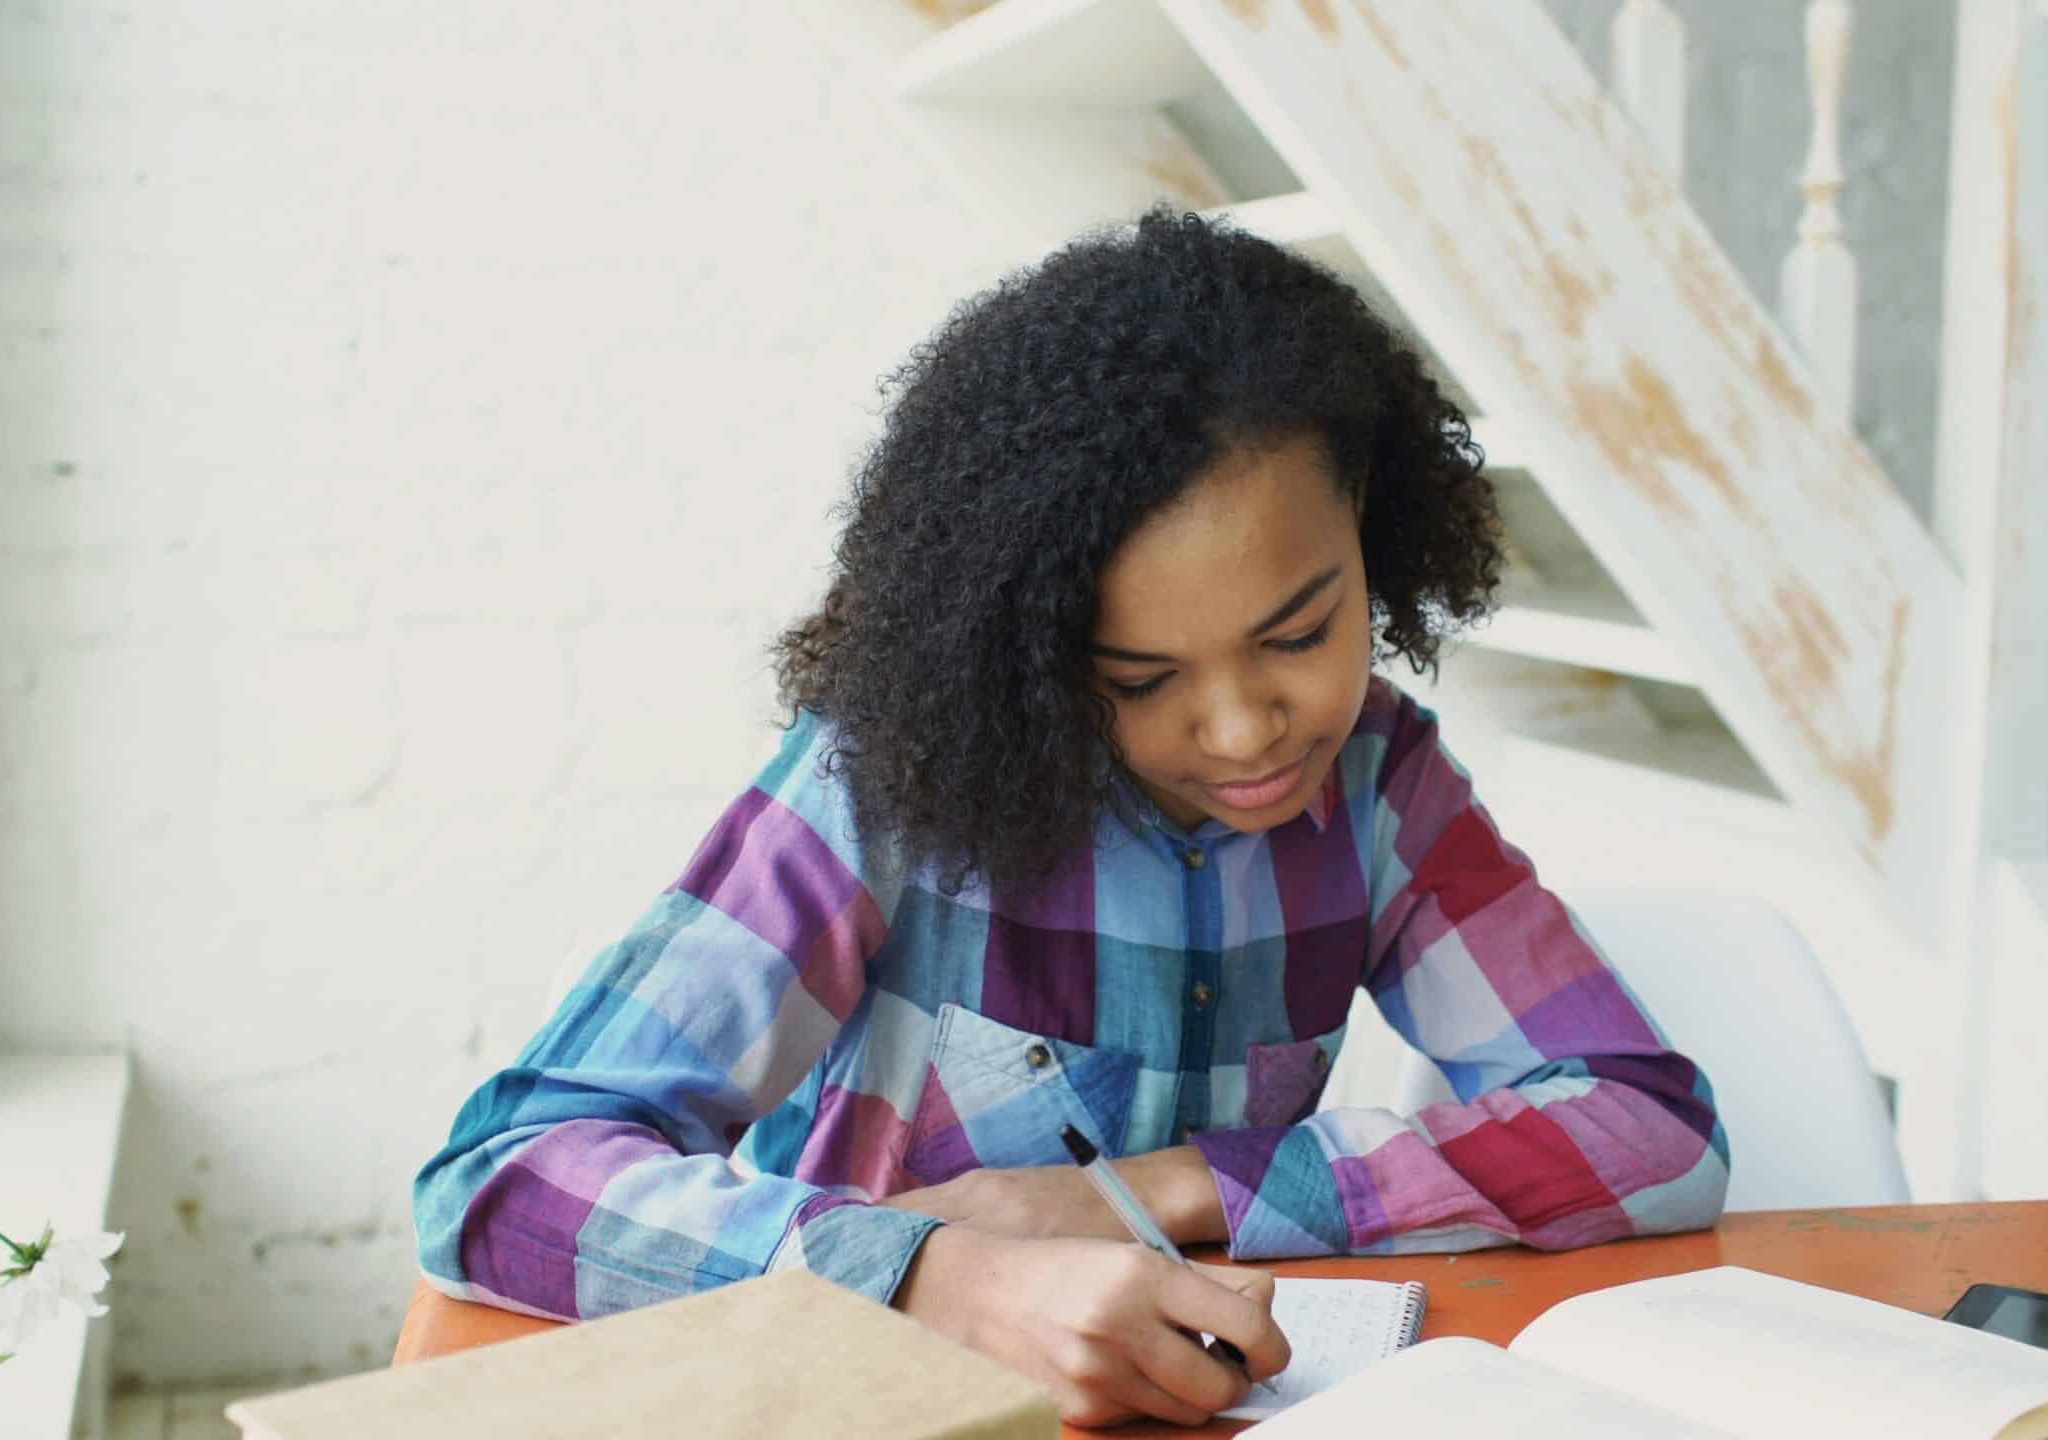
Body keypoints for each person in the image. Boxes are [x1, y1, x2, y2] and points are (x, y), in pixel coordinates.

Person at [413, 208, 1729, 1428]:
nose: (1243, 728)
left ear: (1374, 533)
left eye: (1300, 633)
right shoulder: (890, 781)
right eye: (1140, 682)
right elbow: (501, 1175)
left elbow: (1654, 1130)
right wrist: (940, 1274)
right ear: (1041, 647)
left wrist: (1148, 1192)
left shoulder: (1380, 779)